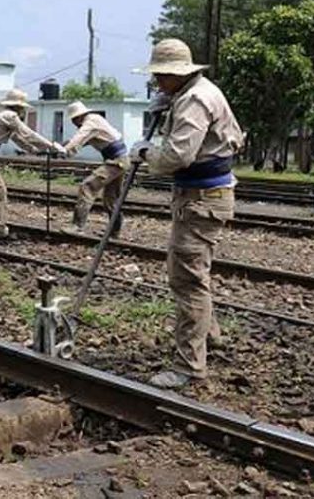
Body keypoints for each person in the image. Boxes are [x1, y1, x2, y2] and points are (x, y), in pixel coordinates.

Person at [130, 38, 244, 389]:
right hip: (204, 196)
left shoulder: (193, 100)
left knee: (187, 279)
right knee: (195, 273)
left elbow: (178, 156)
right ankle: (210, 336)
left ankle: (189, 366)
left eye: (162, 77)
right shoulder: (194, 92)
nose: (158, 83)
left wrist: (146, 153)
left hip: (201, 198)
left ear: (176, 74)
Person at [0, 88, 65, 242]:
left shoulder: (0, 115)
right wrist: (52, 146)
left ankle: (0, 229)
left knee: (0, 192)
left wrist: (34, 151)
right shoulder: (9, 116)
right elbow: (28, 134)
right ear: (18, 107)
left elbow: (18, 138)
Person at [59, 101, 129, 235]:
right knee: (111, 198)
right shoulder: (95, 120)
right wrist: (63, 146)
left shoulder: (89, 123)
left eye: (73, 120)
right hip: (121, 159)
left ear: (77, 117)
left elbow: (78, 140)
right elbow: (81, 141)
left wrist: (64, 151)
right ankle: (114, 231)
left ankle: (77, 226)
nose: (74, 123)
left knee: (87, 186)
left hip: (115, 161)